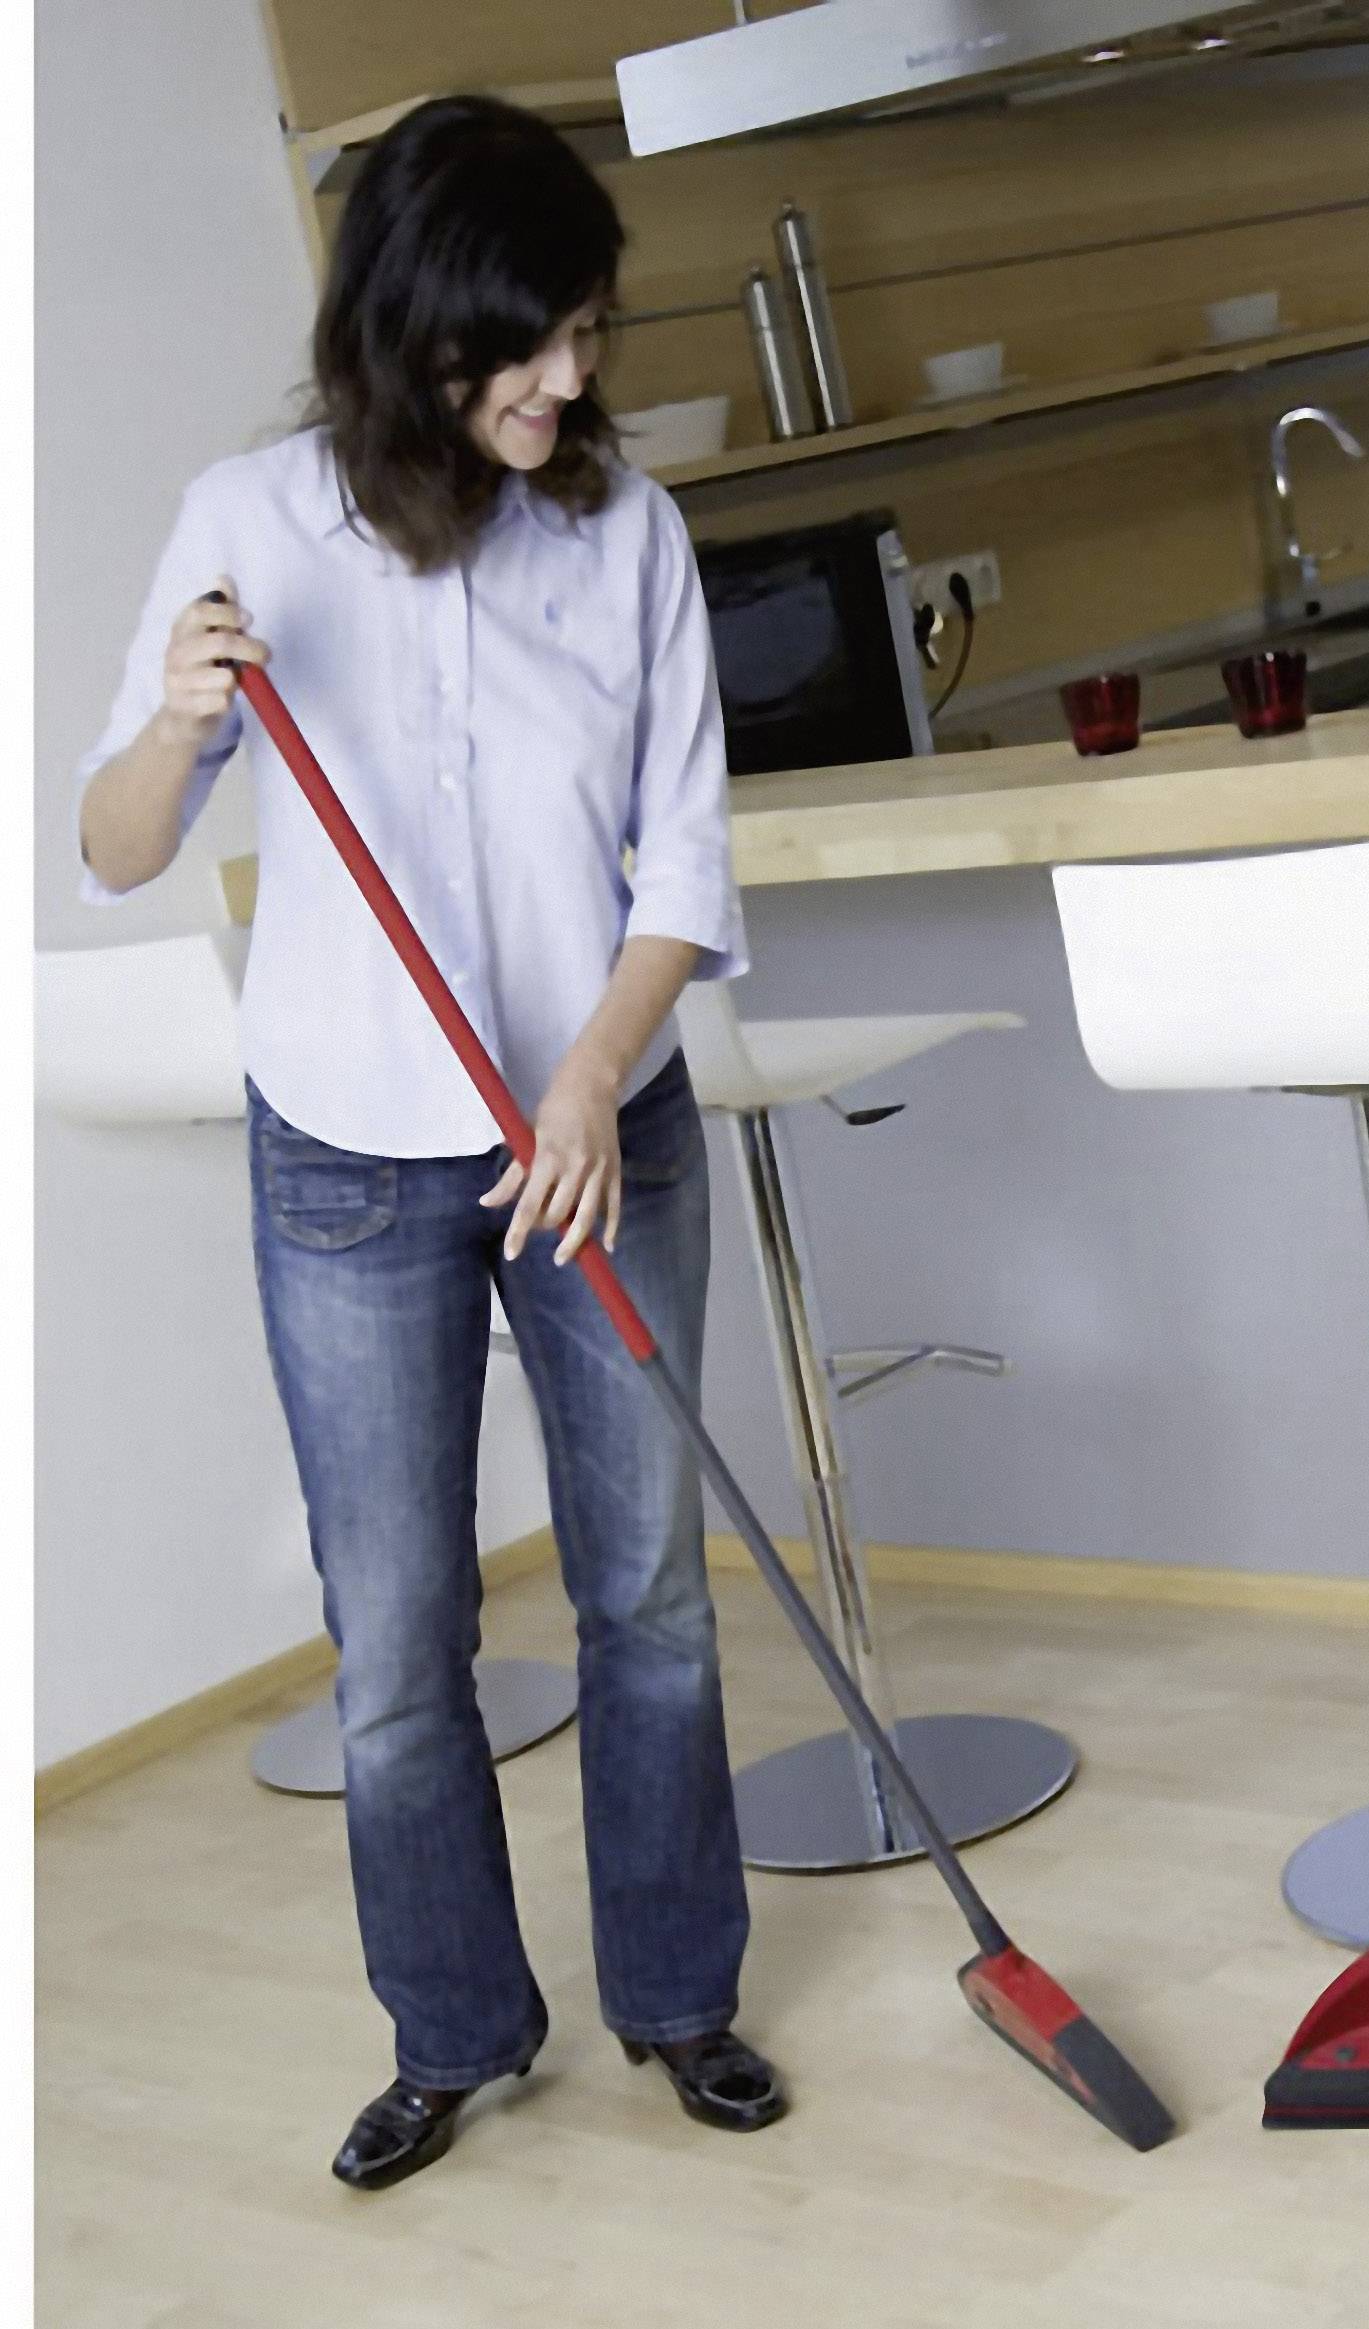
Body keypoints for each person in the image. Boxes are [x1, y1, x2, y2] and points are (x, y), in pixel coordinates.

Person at [76, 95, 785, 2190]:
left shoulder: (620, 530)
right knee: (396, 1636)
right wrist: (183, 719)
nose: (570, 377)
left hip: (602, 1125)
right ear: (413, 328)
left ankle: (677, 1997)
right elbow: (116, 849)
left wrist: (588, 1073)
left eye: (587, 328)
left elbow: (685, 863)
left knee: (646, 1588)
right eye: (529, 340)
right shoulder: (249, 518)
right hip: (346, 1151)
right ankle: (457, 2033)